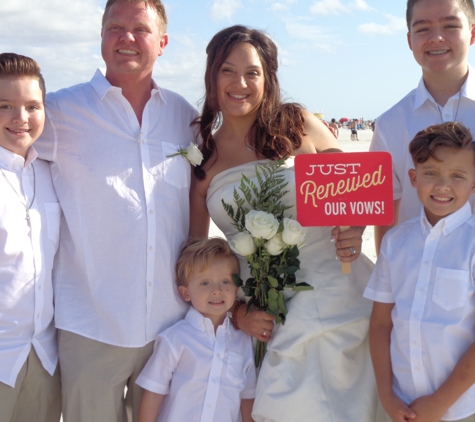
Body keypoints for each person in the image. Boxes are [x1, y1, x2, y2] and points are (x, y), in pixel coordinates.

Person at [189, 25, 383, 422]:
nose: (240, 83)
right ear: (211, 76)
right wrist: (237, 313)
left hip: (340, 289)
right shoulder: (203, 158)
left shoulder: (299, 124)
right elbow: (198, 257)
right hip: (267, 315)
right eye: (227, 70)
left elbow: (357, 188)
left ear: (269, 77)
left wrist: (355, 228)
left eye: (253, 72)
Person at [34, 0, 198, 420]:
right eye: (114, 27)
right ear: (101, 36)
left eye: (140, 29)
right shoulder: (58, 111)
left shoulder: (186, 117)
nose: (126, 38)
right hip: (90, 324)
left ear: (162, 43)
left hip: (170, 325)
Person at [365, 122, 475, 422]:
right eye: (430, 174)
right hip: (399, 405)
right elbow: (380, 325)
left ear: (474, 183)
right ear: (413, 178)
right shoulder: (395, 242)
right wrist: (387, 396)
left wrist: (440, 403)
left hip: (461, 409)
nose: (442, 186)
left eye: (457, 176)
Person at [370, 0, 475, 254]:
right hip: (415, 279)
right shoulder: (389, 124)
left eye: (450, 25)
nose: (437, 38)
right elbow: (384, 213)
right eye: (423, 29)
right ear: (409, 41)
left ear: (472, 33)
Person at [0, 53, 61, 422]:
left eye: (32, 106)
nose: (20, 118)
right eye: (5, 106)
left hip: (43, 357)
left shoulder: (52, 171)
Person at [136, 238, 256, 422]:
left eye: (225, 281)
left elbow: (247, 395)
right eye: (205, 283)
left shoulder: (243, 341)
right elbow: (154, 391)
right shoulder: (175, 338)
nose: (217, 290)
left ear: (236, 287)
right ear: (185, 293)